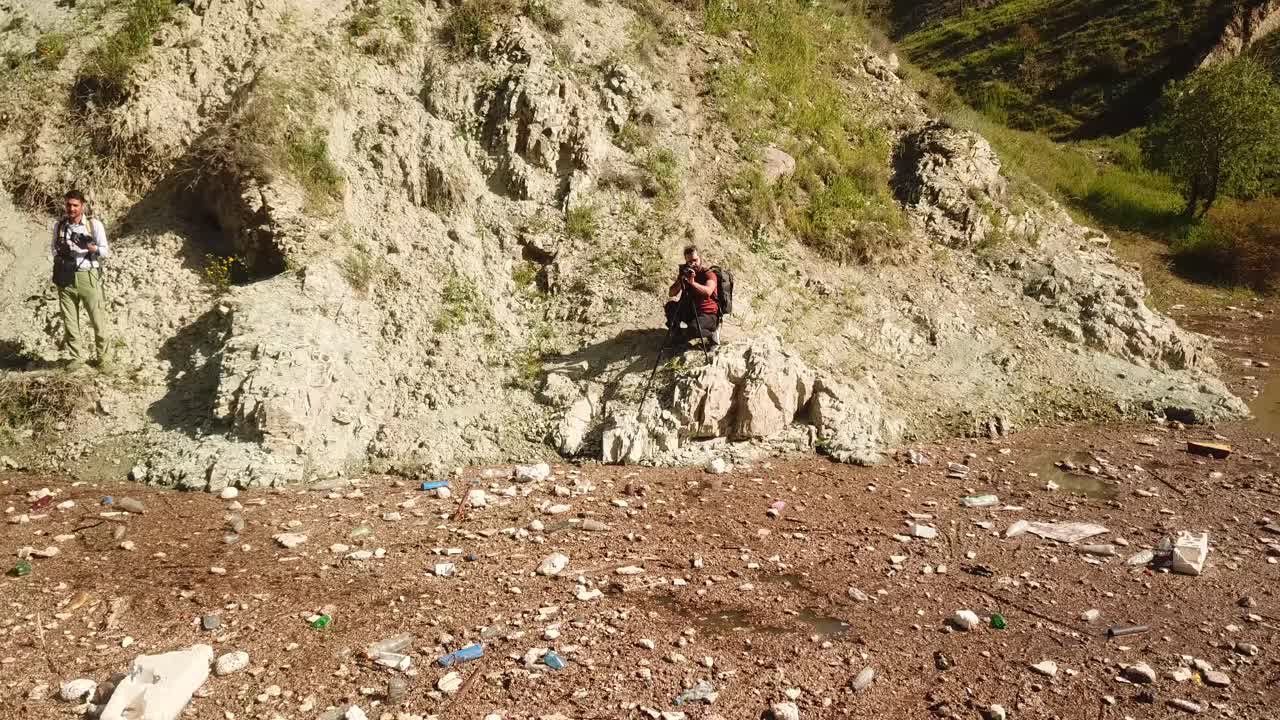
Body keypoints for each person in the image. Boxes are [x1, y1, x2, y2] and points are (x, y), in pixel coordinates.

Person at [50, 189, 111, 371]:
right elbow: (53, 248)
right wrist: (64, 253)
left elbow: (105, 251)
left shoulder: (94, 225)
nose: (72, 209)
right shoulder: (59, 226)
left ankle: (104, 360)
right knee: (69, 321)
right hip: (65, 276)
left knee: (97, 320)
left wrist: (89, 248)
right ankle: (77, 358)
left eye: (75, 205)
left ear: (83, 206)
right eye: (69, 205)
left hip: (88, 276)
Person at [664, 244, 719, 349]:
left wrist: (692, 283)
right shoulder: (686, 273)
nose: (693, 264)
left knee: (693, 328)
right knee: (670, 306)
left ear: (700, 258)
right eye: (689, 262)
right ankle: (678, 335)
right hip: (691, 311)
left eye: (695, 260)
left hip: (708, 314)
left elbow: (708, 291)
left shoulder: (708, 274)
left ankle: (712, 335)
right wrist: (681, 281)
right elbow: (671, 293)